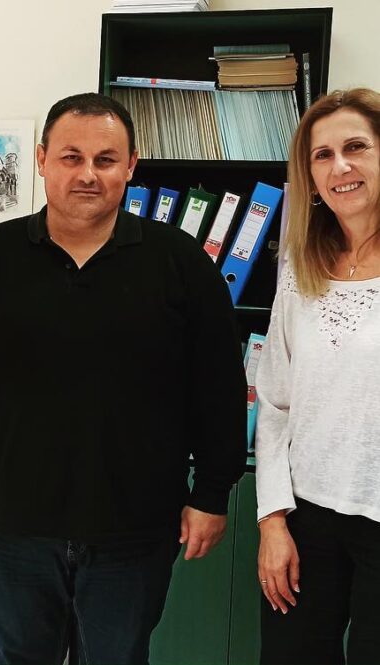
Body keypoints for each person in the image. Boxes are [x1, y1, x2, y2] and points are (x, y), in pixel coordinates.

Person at [0, 92, 248, 665]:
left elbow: (219, 388)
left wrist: (212, 492)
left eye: (106, 159)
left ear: (131, 166)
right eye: (71, 157)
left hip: (136, 529)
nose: (88, 174)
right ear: (42, 159)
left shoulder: (181, 264)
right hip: (16, 523)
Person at [256, 87, 380, 665]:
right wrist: (272, 520)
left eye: (356, 147)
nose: (340, 167)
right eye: (322, 155)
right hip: (306, 519)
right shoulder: (298, 265)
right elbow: (275, 402)